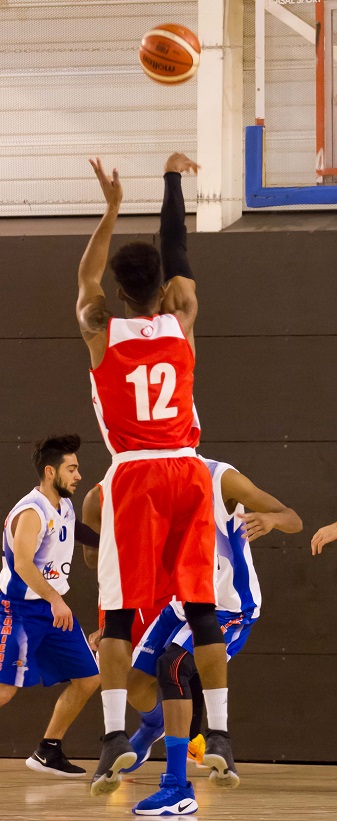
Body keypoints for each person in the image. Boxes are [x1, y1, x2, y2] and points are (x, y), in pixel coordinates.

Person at [76, 153, 234, 811]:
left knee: (116, 611)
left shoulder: (97, 328)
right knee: (200, 605)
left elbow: (84, 275)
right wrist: (173, 182)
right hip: (188, 471)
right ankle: (219, 731)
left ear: (115, 290)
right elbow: (178, 248)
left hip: (135, 476)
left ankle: (114, 734)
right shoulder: (183, 316)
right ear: (165, 291)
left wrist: (111, 208)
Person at [85, 456, 302, 813]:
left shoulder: (222, 478)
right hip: (179, 603)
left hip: (230, 607)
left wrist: (272, 520)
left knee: (172, 667)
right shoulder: (145, 483)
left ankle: (178, 788)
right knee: (137, 684)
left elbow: (293, 517)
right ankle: (158, 724)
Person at [0, 435, 100, 777]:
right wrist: (56, 599)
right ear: (49, 471)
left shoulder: (65, 505)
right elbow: (23, 565)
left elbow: (77, 533)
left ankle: (48, 750)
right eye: (71, 469)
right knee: (4, 690)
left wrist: (116, 543)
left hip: (51, 609)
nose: (78, 475)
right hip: (20, 610)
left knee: (89, 678)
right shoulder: (32, 511)